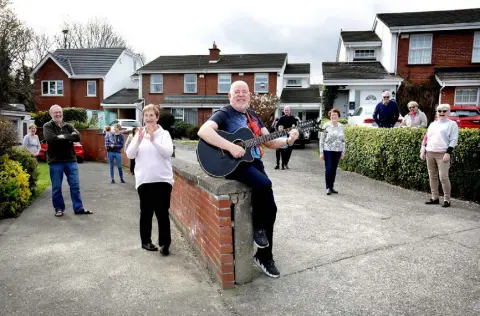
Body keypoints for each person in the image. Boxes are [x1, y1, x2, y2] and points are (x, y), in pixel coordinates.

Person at [197, 80, 299, 278]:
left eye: (245, 92)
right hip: (234, 164)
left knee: (272, 208)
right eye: (237, 92)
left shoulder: (253, 116)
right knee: (264, 183)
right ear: (230, 95)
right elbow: (204, 131)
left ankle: (264, 256)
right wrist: (231, 147)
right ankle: (259, 230)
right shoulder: (225, 113)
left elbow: (268, 141)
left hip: (254, 163)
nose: (241, 95)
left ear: (250, 95)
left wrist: (288, 140)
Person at [126, 104, 174, 255]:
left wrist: (154, 140)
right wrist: (139, 140)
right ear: (143, 118)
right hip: (145, 180)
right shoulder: (138, 134)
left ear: (157, 117)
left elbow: (168, 152)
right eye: (146, 116)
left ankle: (165, 244)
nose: (148, 118)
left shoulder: (164, 134)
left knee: (162, 213)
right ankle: (146, 241)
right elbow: (130, 155)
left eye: (151, 115)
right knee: (146, 213)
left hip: (163, 180)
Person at [43, 105, 92, 217]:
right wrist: (68, 137)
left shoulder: (68, 125)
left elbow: (77, 137)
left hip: (71, 160)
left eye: (60, 112)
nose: (58, 114)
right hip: (55, 161)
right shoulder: (47, 126)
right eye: (55, 113)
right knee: (56, 187)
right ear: (51, 114)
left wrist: (62, 137)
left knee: (75, 185)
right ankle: (59, 208)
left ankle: (78, 208)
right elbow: (51, 139)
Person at [420, 104, 459, 208]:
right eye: (439, 110)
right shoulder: (433, 124)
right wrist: (422, 150)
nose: (441, 112)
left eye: (444, 110)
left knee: (443, 177)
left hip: (442, 154)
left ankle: (447, 199)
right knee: (432, 176)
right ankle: (435, 198)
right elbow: (426, 137)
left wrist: (448, 152)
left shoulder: (452, 124)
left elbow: (454, 139)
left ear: (448, 112)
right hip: (430, 153)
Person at [319, 108, 346, 195]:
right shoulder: (325, 125)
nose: (334, 116)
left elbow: (343, 140)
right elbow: (321, 139)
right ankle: (327, 187)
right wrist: (321, 152)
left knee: (334, 169)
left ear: (338, 116)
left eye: (336, 115)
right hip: (328, 150)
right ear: (330, 116)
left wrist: (343, 152)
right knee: (329, 168)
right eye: (332, 115)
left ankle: (331, 187)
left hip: (338, 151)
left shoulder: (341, 126)